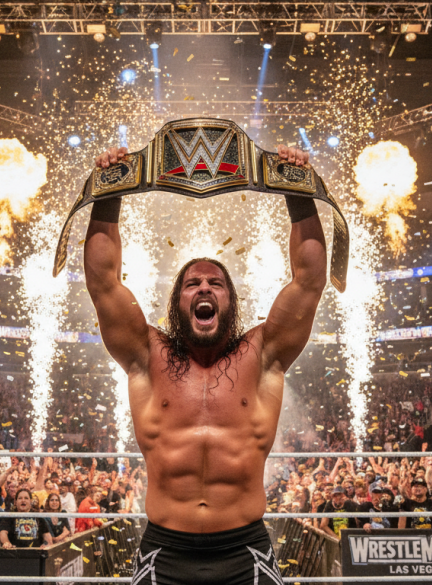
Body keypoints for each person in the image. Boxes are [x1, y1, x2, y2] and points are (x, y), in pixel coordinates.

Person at [86, 143, 321, 584]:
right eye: (192, 283)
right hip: (164, 550)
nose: (204, 288)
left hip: (245, 549)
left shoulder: (262, 353)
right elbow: (103, 282)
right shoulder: (147, 355)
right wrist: (108, 190)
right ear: (178, 303)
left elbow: (308, 281)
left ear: (230, 301)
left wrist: (297, 189)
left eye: (216, 282)